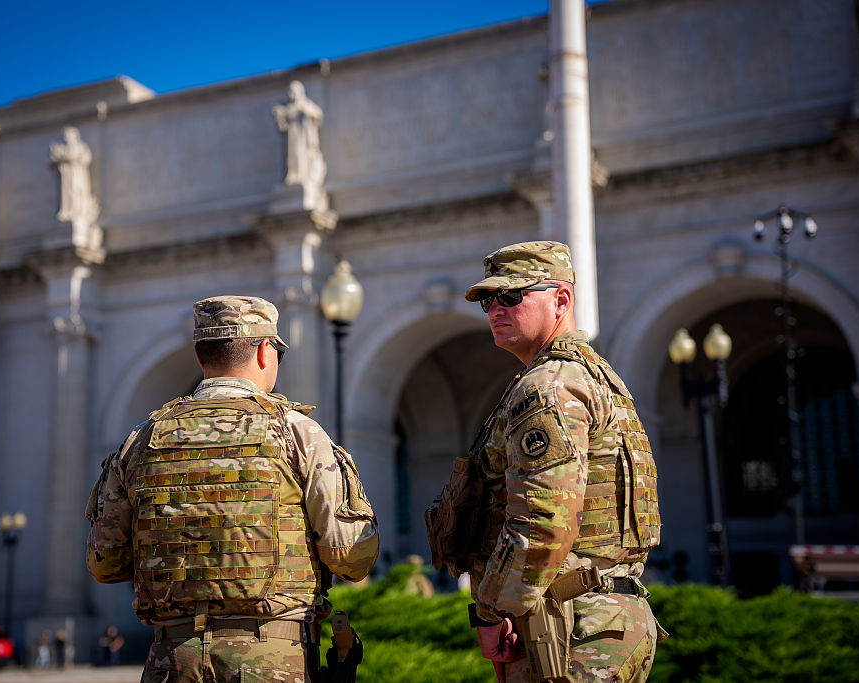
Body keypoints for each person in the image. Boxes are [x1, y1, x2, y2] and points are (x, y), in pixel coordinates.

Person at [86, 295, 379, 682]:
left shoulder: (139, 440)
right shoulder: (297, 433)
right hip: (272, 660)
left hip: (171, 661)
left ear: (200, 358)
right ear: (264, 351)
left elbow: (105, 563)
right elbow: (351, 558)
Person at [431, 241, 664, 682]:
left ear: (561, 299)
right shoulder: (591, 375)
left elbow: (542, 520)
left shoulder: (549, 385)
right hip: (597, 618)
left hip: (570, 626)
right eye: (488, 301)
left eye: (511, 295)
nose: (496, 309)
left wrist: (492, 612)